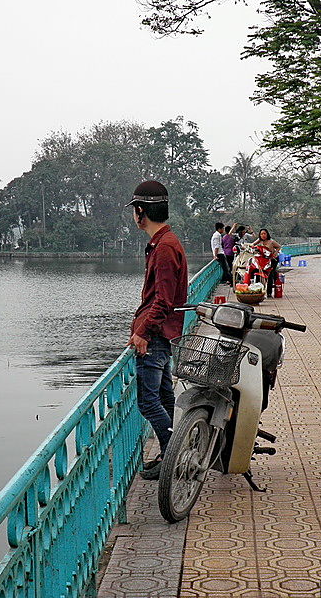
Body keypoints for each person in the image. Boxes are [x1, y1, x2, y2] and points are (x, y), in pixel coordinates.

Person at [127, 180, 188, 480]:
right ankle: (170, 453)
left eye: (135, 211)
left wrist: (143, 332)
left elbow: (162, 300)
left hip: (155, 337)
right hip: (165, 334)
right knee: (164, 396)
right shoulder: (167, 242)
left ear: (141, 212)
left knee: (148, 401)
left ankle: (172, 452)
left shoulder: (164, 248)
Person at [252, 228, 282, 297]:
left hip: (272, 259)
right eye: (261, 234)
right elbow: (252, 244)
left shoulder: (271, 241)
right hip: (263, 260)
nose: (263, 235)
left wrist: (275, 253)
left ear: (267, 234)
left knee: (270, 274)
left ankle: (269, 292)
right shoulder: (260, 241)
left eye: (264, 233)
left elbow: (279, 246)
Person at [211, 222, 232, 286]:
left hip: (219, 253)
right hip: (220, 254)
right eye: (222, 228)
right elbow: (217, 246)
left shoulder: (215, 235)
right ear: (219, 229)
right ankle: (231, 281)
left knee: (225, 268)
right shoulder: (218, 235)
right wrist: (215, 255)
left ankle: (228, 280)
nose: (223, 230)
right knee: (226, 269)